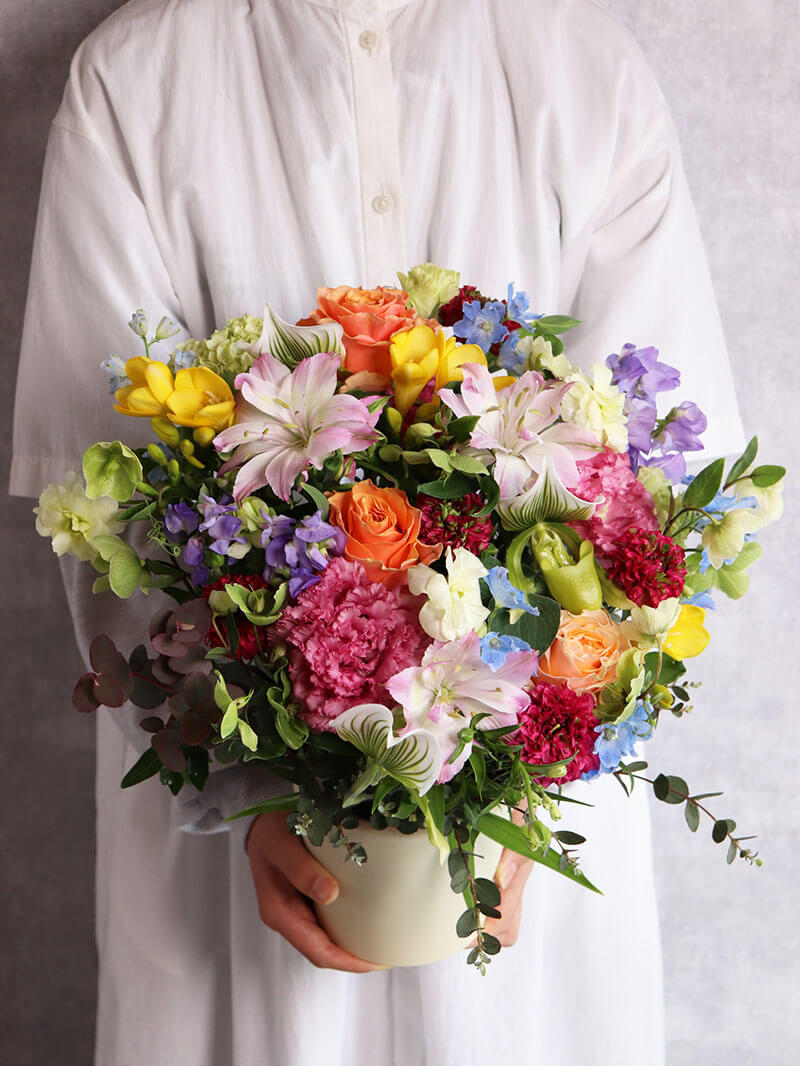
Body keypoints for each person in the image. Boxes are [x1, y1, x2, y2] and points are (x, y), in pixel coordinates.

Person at [11, 1, 745, 1063]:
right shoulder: (137, 79)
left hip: (529, 848)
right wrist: (255, 792)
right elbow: (101, 509)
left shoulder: (585, 72)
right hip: (235, 855)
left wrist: (521, 794)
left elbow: (657, 491)